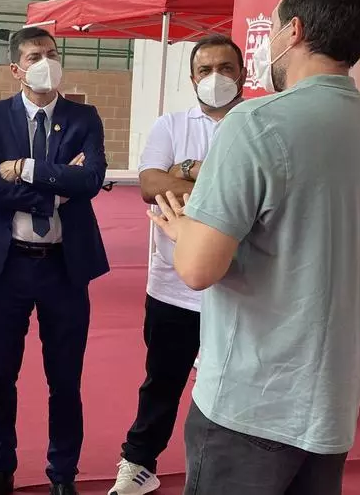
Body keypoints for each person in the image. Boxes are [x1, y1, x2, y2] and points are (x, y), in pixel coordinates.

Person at [150, 0, 360, 495]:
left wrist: (182, 226)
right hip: (331, 397)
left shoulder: (256, 121)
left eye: (275, 27)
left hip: (254, 402)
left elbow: (197, 268)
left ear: (293, 31)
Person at [0, 27, 109, 495]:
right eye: (34, 56)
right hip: (6, 264)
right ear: (16, 69)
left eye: (51, 53)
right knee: (0, 374)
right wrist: (56, 189)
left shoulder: (84, 117)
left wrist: (26, 170)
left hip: (64, 267)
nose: (46, 62)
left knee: (65, 377)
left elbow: (91, 181)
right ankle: (1, 468)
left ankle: (62, 474)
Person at [110, 35, 246, 495]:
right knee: (162, 382)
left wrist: (183, 174)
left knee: (233, 385)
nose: (216, 78)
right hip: (173, 286)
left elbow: (260, 194)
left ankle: (227, 473)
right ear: (192, 78)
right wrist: (214, 182)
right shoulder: (171, 125)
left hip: (241, 285)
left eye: (226, 68)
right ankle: (138, 462)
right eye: (206, 70)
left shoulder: (256, 123)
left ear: (242, 74)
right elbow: (150, 185)